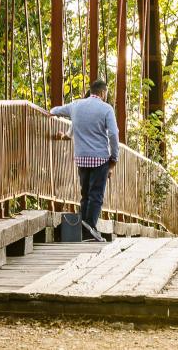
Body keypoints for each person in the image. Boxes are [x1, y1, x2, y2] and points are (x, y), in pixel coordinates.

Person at [51, 80, 118, 240]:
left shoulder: (76, 106)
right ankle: (89, 229)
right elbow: (114, 134)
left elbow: (54, 111)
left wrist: (65, 135)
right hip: (100, 159)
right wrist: (114, 158)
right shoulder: (106, 109)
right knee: (96, 195)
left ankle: (85, 229)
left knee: (85, 195)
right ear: (102, 93)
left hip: (81, 158)